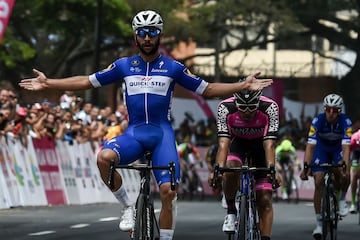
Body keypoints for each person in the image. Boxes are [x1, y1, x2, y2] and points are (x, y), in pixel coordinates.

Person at [19, 10, 273, 240]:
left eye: (152, 32)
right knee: (104, 158)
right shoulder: (123, 66)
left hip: (162, 134)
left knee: (167, 193)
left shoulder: (173, 67)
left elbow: (207, 89)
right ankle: (128, 206)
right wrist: (49, 83)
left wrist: (242, 85)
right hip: (135, 133)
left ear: (159, 35)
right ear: (136, 37)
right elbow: (86, 81)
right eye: (142, 33)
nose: (147, 37)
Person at [209, 88, 280, 240]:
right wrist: (217, 171)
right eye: (242, 108)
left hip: (261, 145)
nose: (247, 113)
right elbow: (223, 144)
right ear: (236, 104)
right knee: (230, 167)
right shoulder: (225, 108)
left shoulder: (270, 107)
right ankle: (231, 211)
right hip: (238, 143)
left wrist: (272, 170)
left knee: (265, 198)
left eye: (252, 109)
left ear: (258, 104)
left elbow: (269, 145)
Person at [300, 93, 352, 240]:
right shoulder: (318, 120)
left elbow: (346, 148)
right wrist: (305, 167)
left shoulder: (345, 122)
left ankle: (341, 199)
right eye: (328, 109)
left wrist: (345, 167)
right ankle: (319, 224)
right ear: (324, 109)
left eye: (334, 110)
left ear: (340, 111)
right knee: (318, 180)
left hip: (337, 149)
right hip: (321, 149)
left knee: (344, 173)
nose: (330, 113)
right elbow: (310, 146)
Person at [349, 128, 360, 213]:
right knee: (354, 176)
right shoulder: (354, 138)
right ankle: (353, 203)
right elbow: (348, 151)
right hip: (355, 152)